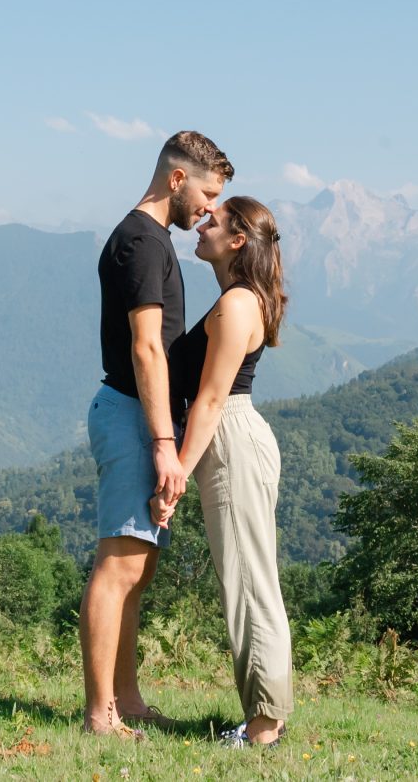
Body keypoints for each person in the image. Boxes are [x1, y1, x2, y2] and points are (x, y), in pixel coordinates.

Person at [79, 130, 234, 738]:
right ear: (177, 179)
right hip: (133, 417)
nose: (211, 209)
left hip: (138, 417)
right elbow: (147, 346)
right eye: (208, 192)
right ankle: (100, 716)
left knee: (136, 570)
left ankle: (127, 700)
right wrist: (164, 443)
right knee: (118, 567)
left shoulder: (150, 240)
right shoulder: (142, 243)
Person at [163, 195, 294, 747]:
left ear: (238, 239)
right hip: (234, 439)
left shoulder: (238, 304)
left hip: (230, 440)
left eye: (212, 221)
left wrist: (175, 475)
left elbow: (212, 400)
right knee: (248, 577)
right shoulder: (238, 299)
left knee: (248, 583)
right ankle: (266, 717)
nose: (200, 222)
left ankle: (262, 727)